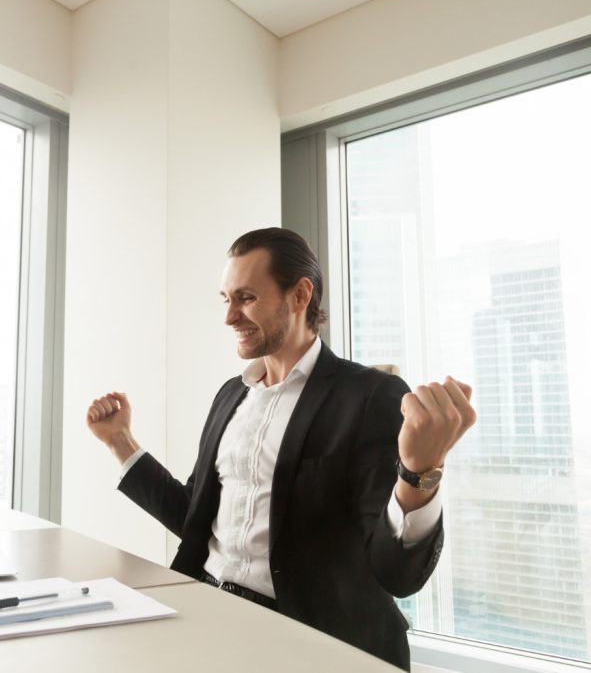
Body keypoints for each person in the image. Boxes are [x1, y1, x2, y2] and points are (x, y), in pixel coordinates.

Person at [86, 227, 475, 671]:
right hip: (213, 622)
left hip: (314, 645)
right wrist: (121, 442)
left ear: (300, 295)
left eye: (246, 298)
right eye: (225, 298)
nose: (229, 316)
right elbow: (195, 517)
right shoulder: (232, 395)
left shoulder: (368, 395)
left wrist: (419, 471)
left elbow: (397, 573)